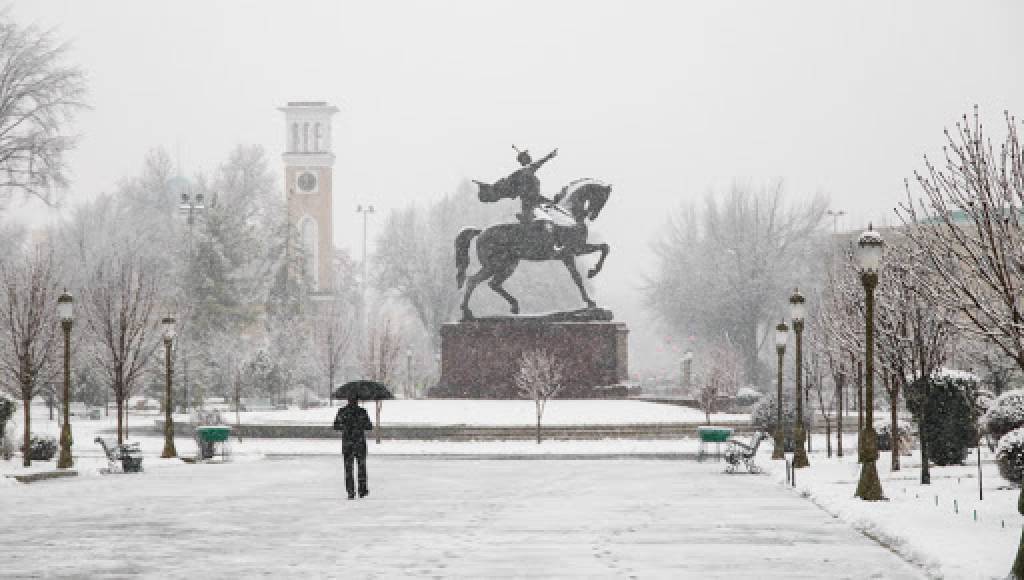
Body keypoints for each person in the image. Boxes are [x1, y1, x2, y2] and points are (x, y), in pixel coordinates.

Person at [333, 394, 374, 499]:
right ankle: (362, 490)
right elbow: (369, 426)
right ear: (357, 400)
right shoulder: (362, 412)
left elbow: (336, 426)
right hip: (360, 444)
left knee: (348, 469)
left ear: (348, 400)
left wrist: (346, 427)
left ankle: (350, 491)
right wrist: (360, 425)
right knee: (362, 468)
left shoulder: (342, 411)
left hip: (347, 444)